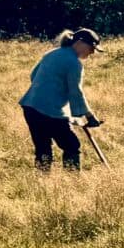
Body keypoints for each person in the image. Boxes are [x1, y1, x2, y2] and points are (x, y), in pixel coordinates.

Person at [18, 28, 103, 170]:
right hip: (49, 112)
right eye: (92, 48)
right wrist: (90, 116)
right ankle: (72, 180)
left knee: (43, 148)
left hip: (30, 108)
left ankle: (41, 181)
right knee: (71, 145)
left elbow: (33, 76)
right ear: (80, 43)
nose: (92, 52)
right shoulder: (74, 63)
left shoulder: (52, 53)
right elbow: (75, 92)